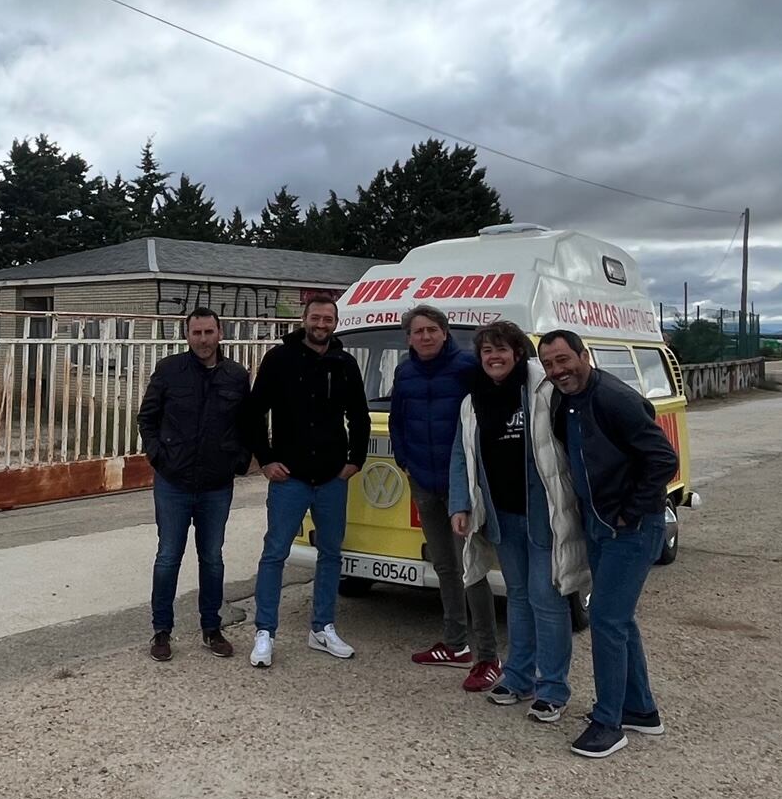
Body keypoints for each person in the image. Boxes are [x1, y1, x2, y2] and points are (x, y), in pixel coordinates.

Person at [536, 329, 680, 759]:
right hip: (598, 526)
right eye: (549, 364)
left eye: (564, 359)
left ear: (584, 355)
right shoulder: (566, 400)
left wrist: (629, 511)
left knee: (605, 619)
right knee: (619, 619)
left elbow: (663, 459)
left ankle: (608, 723)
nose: (558, 370)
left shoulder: (614, 398)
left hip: (630, 530)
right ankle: (640, 710)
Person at [449, 321, 588, 723]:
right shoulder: (472, 401)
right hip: (502, 514)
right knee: (519, 596)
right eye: (486, 351)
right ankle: (519, 676)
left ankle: (553, 689)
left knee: (548, 599)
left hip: (544, 515)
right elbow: (461, 455)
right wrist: (461, 504)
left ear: (517, 353)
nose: (494, 357)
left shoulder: (544, 391)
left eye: (502, 349)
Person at [242, 294, 370, 668]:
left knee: (331, 554)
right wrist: (265, 459)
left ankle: (322, 628)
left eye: (328, 319)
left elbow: (359, 416)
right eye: (316, 318)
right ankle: (264, 632)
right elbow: (253, 412)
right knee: (275, 553)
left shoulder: (345, 363)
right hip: (289, 477)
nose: (321, 324)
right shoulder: (279, 359)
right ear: (304, 319)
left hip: (332, 477)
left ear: (335, 321)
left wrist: (355, 461)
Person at [389, 305, 502, 690]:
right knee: (445, 567)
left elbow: (489, 415)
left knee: (472, 566)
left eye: (432, 329)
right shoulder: (404, 372)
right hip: (423, 481)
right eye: (418, 331)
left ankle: (488, 656)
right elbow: (397, 421)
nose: (425, 336)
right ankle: (456, 645)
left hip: (462, 485)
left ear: (445, 332)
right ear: (409, 338)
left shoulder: (468, 367)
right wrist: (404, 460)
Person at [137, 307, 253, 662]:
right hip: (174, 481)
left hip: (216, 485)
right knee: (168, 557)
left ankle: (211, 628)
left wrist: (238, 460)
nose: (203, 340)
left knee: (213, 558)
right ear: (187, 336)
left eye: (209, 332)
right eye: (196, 333)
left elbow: (246, 423)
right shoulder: (170, 370)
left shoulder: (236, 375)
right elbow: (148, 417)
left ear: (220, 333)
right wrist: (159, 456)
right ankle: (161, 631)